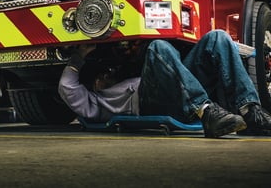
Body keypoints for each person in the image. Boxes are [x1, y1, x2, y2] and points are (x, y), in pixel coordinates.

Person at [58, 30, 271, 138]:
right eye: (104, 75)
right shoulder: (96, 103)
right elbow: (67, 87)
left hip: (177, 87)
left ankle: (250, 111)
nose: (109, 73)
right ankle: (206, 111)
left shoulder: (125, 75)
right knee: (158, 47)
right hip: (150, 102)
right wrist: (79, 55)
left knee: (218, 37)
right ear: (96, 85)